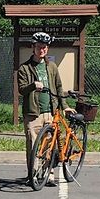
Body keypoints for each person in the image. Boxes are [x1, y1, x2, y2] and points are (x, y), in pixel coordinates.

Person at [16, 31, 64, 187]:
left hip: (49, 111)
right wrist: (32, 86)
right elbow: (21, 89)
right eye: (38, 47)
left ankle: (48, 174)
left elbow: (58, 87)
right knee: (33, 144)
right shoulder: (25, 68)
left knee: (49, 144)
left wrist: (65, 106)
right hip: (33, 113)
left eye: (44, 47)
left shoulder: (52, 67)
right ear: (33, 47)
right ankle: (33, 175)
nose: (41, 50)